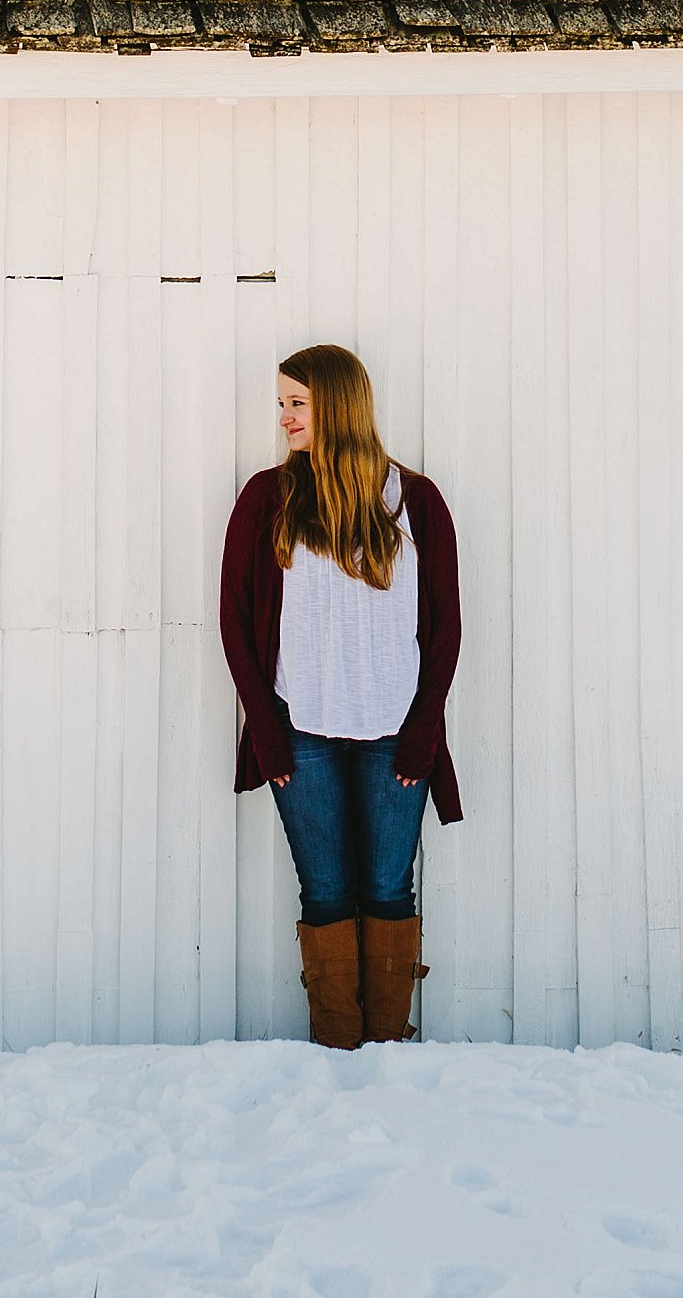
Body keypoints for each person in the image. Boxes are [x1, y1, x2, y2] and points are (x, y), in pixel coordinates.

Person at [216, 343, 464, 1049]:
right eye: (282, 403)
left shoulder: (414, 500)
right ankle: (338, 1050)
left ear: (339, 404)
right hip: (301, 731)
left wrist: (425, 727)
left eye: (298, 401)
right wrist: (264, 726)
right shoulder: (270, 497)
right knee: (325, 892)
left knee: (387, 890)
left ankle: (386, 1047)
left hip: (396, 732)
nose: (286, 415)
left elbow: (446, 626)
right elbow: (235, 618)